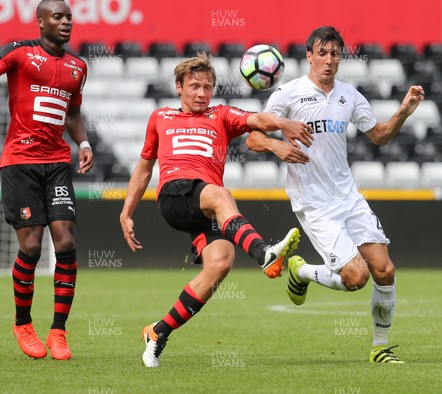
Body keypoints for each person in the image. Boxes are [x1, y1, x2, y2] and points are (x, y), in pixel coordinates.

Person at [119, 52, 314, 368]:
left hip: (204, 206)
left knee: (220, 265)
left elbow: (257, 120)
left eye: (207, 87)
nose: (201, 93)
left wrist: (282, 123)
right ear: (179, 87)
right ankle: (264, 254)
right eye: (194, 86)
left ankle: (157, 333)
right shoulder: (160, 118)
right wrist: (127, 212)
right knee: (222, 194)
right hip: (174, 194)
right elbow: (143, 169)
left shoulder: (221, 115)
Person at [246, 26, 425, 364]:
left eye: (335, 54)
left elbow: (379, 136)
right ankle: (300, 272)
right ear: (309, 56)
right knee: (356, 277)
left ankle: (379, 348)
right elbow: (252, 139)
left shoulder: (350, 96)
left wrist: (404, 111)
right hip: (314, 204)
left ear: (341, 58)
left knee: (385, 271)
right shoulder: (287, 94)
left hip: (349, 198)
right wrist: (277, 146)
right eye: (322, 53)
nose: (328, 61)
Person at [0, 0, 92, 360]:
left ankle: (59, 331)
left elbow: (74, 112)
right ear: (40, 22)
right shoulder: (19, 52)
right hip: (20, 164)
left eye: (69, 17)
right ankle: (23, 323)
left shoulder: (78, 67)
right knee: (32, 247)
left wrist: (82, 141)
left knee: (65, 242)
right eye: (58, 17)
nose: (66, 22)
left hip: (57, 164)